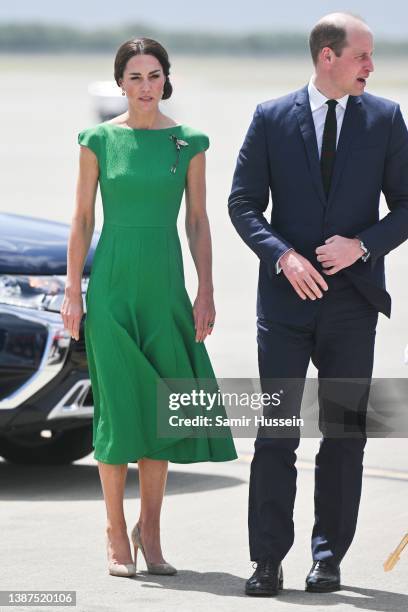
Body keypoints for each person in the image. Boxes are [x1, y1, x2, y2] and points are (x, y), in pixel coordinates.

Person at [228, 12, 408, 596]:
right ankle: (267, 561)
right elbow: (243, 203)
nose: (372, 67)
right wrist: (284, 255)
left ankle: (327, 558)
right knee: (276, 433)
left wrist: (363, 245)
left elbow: (407, 206)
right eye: (362, 56)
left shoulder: (384, 118)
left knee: (344, 434)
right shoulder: (272, 117)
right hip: (284, 304)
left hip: (353, 305)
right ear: (327, 56)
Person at [61, 37, 237, 578]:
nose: (145, 85)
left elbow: (199, 222)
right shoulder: (97, 139)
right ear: (120, 82)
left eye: (154, 75)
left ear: (167, 79)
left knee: (163, 412)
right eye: (135, 76)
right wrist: (73, 291)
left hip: (165, 289)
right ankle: (115, 530)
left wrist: (205, 290)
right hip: (112, 287)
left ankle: (151, 530)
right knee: (117, 411)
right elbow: (83, 220)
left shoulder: (189, 143)